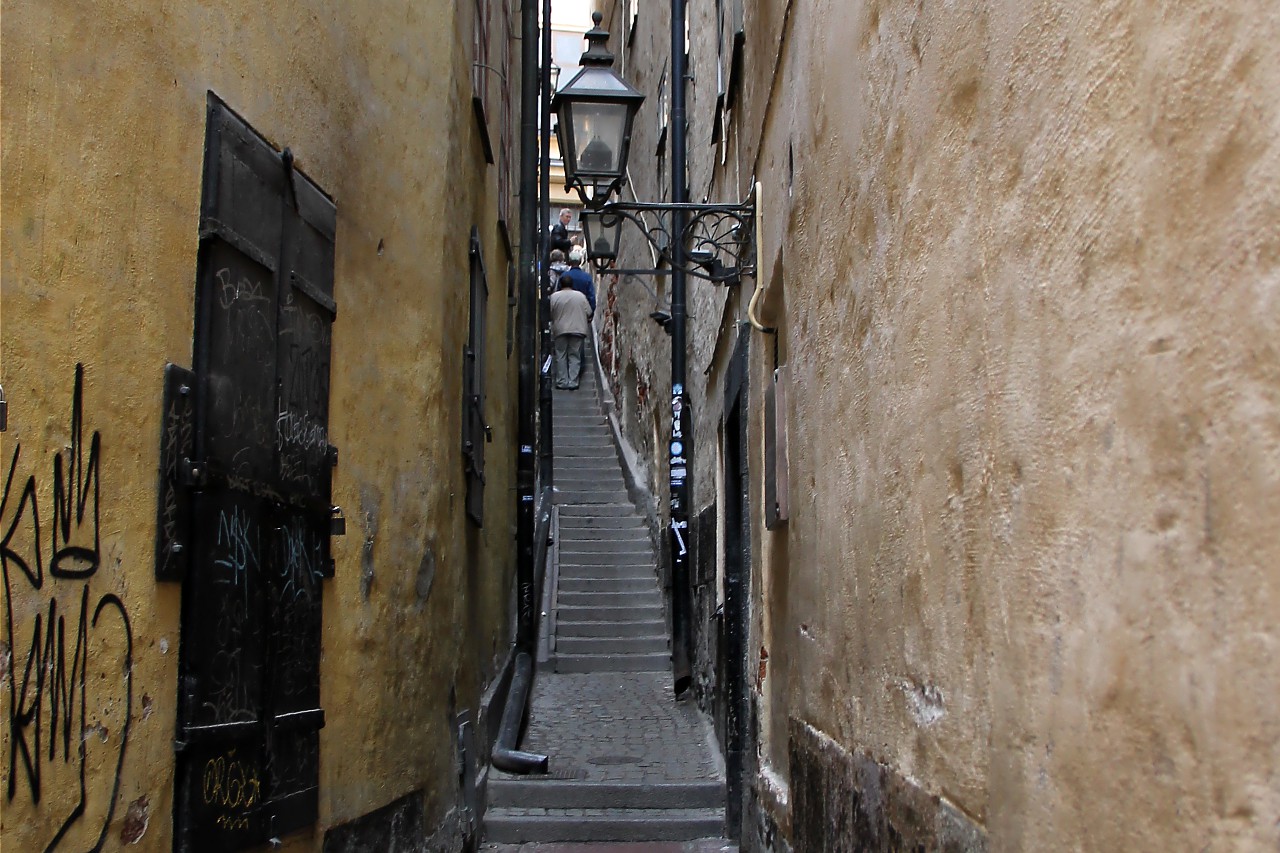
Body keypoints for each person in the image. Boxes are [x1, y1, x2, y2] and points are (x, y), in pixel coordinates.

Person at [550, 275, 593, 390]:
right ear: (572, 284)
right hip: (577, 329)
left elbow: (549, 313)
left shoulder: (554, 297)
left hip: (560, 329)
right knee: (575, 355)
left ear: (561, 284)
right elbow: (588, 311)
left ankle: (562, 381)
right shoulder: (580, 296)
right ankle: (573, 382)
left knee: (560, 355)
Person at [561, 247, 596, 312]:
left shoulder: (564, 275)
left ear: (570, 262)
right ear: (580, 262)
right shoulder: (587, 277)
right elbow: (591, 297)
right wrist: (591, 312)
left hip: (566, 310)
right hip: (582, 310)